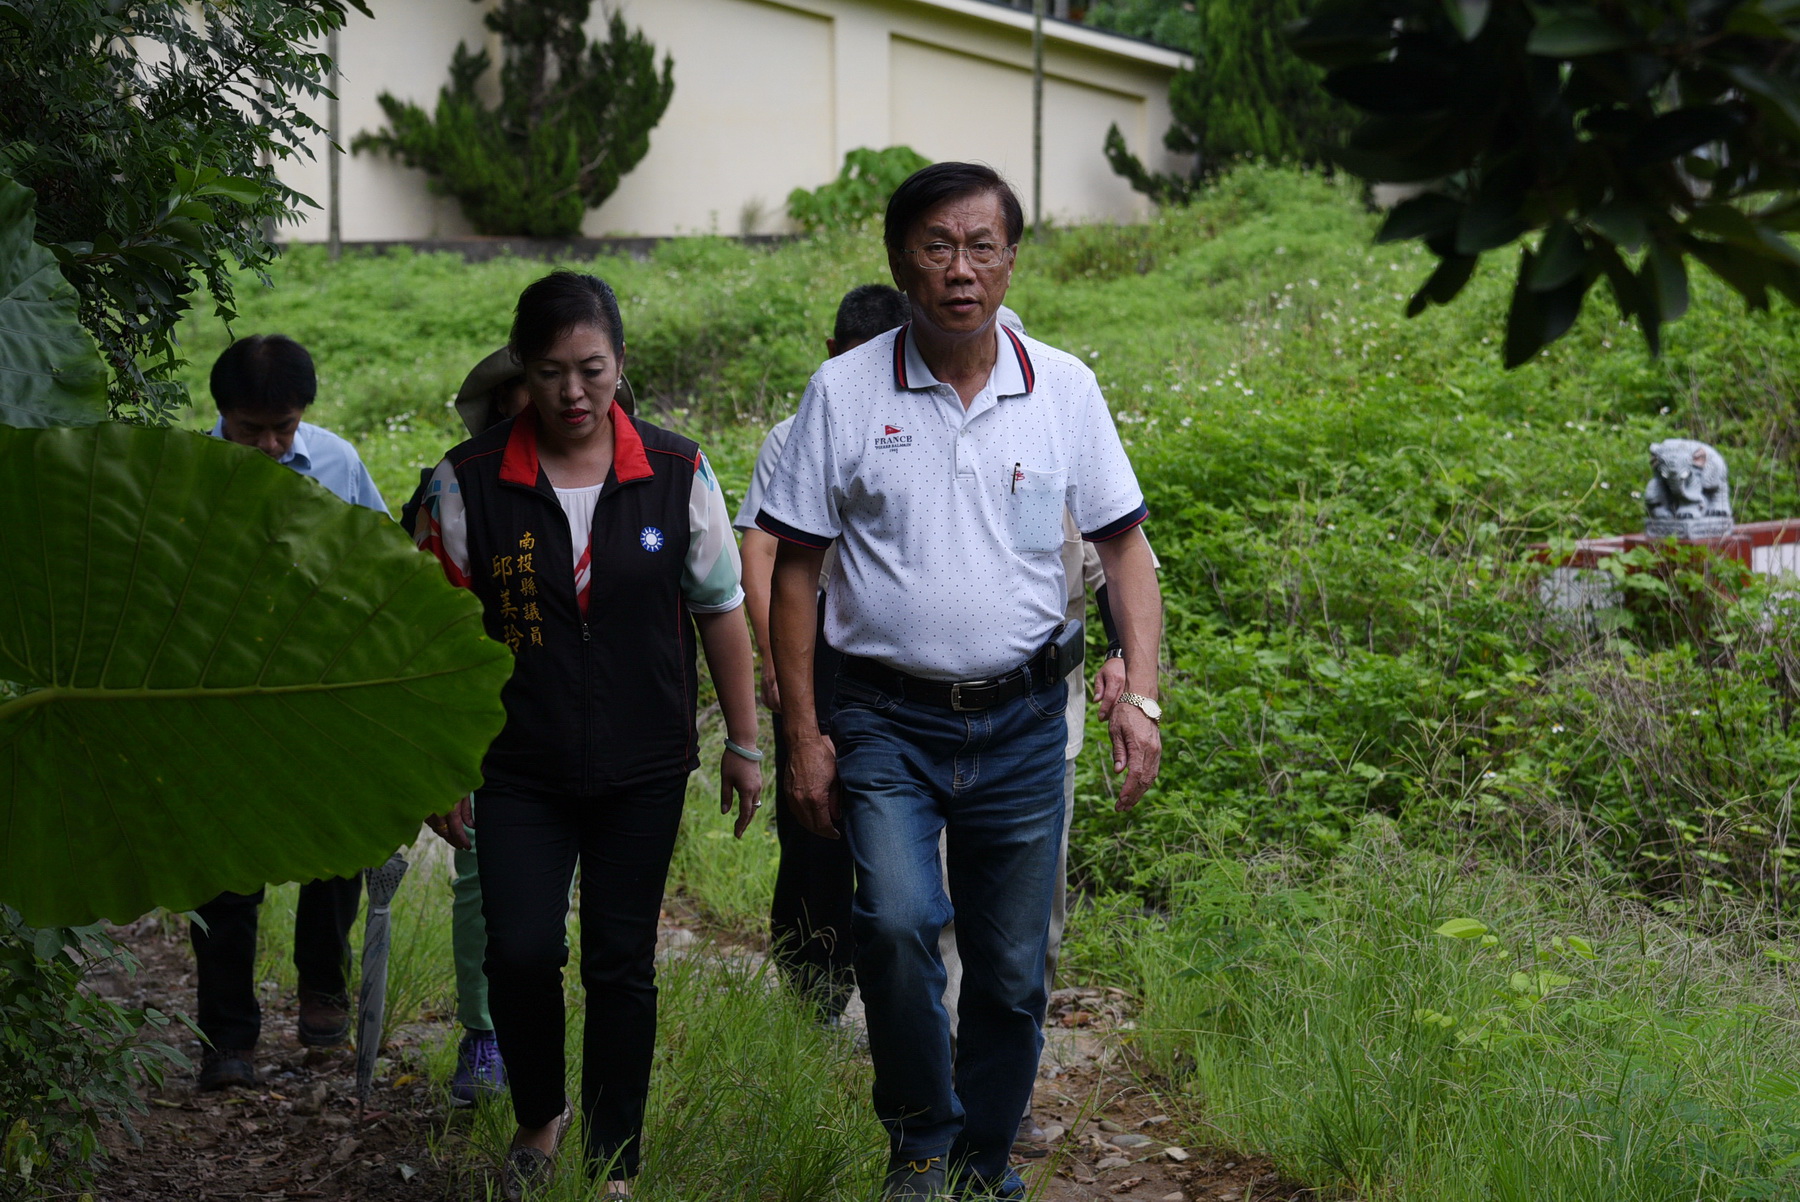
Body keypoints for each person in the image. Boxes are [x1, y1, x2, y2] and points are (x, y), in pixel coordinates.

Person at [757, 163, 1163, 1200]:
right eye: (937, 246)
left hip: (1026, 720)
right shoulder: (843, 392)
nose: (961, 269)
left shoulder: (1061, 385)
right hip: (885, 716)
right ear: (901, 261)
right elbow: (794, 570)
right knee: (892, 921)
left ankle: (984, 1158)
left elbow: (1124, 547)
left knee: (1013, 967)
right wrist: (800, 730)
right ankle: (922, 1138)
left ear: (1013, 257)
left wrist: (1142, 690)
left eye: (982, 245)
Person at [414, 271, 762, 1201]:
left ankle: (616, 1157)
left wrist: (745, 739)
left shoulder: (677, 470)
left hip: (642, 763)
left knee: (621, 960)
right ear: (521, 372)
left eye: (593, 370)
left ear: (620, 365)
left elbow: (721, 609)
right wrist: (440, 762)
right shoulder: (468, 482)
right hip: (516, 765)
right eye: (552, 372)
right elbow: (433, 643)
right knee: (520, 950)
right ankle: (540, 1115)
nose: (574, 394)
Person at [190, 334, 386, 1090]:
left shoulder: (338, 464)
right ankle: (227, 1041)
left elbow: (378, 566)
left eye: (285, 428)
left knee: (335, 846)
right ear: (222, 418)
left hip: (317, 690)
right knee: (225, 876)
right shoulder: (188, 475)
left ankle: (322, 984)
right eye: (252, 431)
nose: (271, 445)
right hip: (219, 698)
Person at [735, 283, 911, 1023]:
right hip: (818, 644)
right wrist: (775, 654)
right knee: (813, 818)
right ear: (831, 357)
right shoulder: (794, 432)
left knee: (892, 823)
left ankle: (894, 980)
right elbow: (762, 549)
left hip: (895, 653)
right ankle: (815, 981)